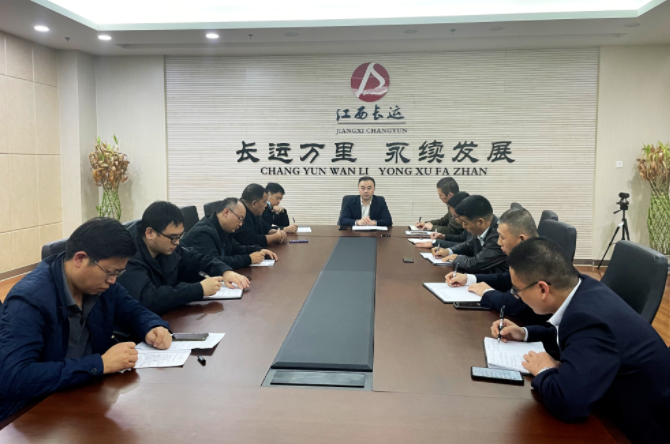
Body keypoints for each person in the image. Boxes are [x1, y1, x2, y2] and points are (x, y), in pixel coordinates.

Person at [492, 238, 670, 444]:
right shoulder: (584, 288)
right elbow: (573, 340)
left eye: (517, 290)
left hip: (640, 430)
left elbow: (570, 404)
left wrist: (544, 371)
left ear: (542, 289)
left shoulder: (589, 320)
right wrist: (524, 333)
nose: (517, 297)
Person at [0, 218, 172, 422]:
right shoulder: (29, 301)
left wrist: (152, 326)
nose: (113, 280)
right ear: (80, 259)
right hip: (34, 414)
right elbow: (14, 378)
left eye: (118, 273)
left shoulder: (100, 285)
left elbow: (133, 310)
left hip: (84, 395)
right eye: (110, 272)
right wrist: (99, 364)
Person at [118, 201, 250, 315]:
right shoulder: (127, 255)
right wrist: (198, 289)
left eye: (179, 236)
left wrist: (224, 270)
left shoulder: (167, 245)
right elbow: (148, 299)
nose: (177, 243)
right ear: (150, 233)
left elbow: (196, 258)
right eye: (173, 238)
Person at [446, 207, 549, 325]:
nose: (499, 242)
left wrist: (487, 292)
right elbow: (505, 279)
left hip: (535, 327)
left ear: (521, 239)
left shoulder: (537, 261)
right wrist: (469, 278)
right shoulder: (528, 252)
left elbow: (510, 304)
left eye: (502, 237)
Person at [182, 197, 278, 270]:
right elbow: (214, 262)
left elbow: (235, 248)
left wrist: (258, 250)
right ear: (226, 212)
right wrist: (248, 259)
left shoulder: (223, 227)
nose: (241, 224)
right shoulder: (203, 232)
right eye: (240, 218)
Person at [435, 195, 507, 274]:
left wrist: (457, 258)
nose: (463, 226)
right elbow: (468, 246)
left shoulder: (498, 235)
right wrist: (449, 251)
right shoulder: (481, 229)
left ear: (480, 222)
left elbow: (475, 264)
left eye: (465, 222)